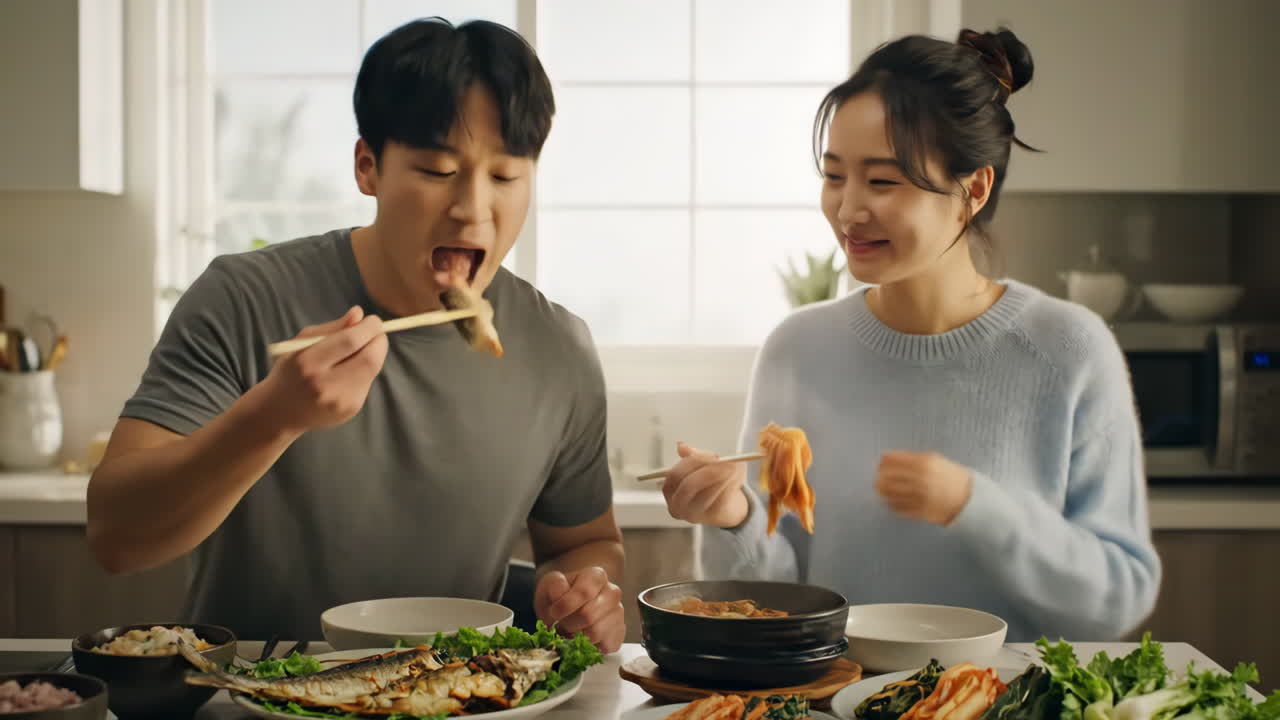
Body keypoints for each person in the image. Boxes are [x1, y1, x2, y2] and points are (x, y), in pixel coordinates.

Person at [85, 18, 626, 652]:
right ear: (367, 166)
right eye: (436, 171)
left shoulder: (558, 351)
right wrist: (275, 417)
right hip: (246, 692)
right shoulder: (242, 299)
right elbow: (115, 536)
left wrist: (582, 594)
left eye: (505, 177)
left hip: (459, 695)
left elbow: (586, 543)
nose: (474, 208)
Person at [660, 28, 1160, 642]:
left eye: (883, 181)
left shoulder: (1070, 349)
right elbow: (779, 602)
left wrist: (974, 506)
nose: (847, 211)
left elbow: (1118, 597)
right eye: (834, 176)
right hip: (838, 699)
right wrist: (732, 516)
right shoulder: (798, 350)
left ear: (972, 190)